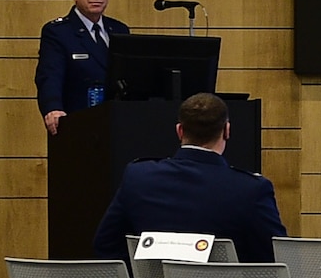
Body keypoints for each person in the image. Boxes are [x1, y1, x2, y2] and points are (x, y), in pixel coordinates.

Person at [91, 92, 288, 263]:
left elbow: (106, 245)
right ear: (227, 130)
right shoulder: (251, 190)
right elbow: (276, 258)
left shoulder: (138, 177)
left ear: (179, 130)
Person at [37, 0, 129, 135]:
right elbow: (49, 77)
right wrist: (52, 108)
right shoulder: (58, 32)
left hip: (117, 125)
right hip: (78, 123)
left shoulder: (119, 30)